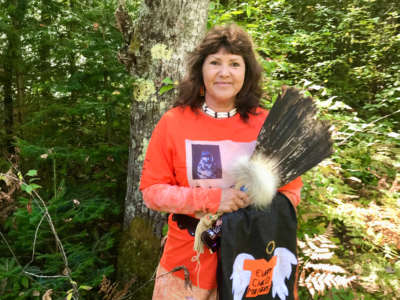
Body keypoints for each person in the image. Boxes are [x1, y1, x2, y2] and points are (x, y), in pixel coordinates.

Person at [139, 24, 302, 300]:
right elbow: (152, 192)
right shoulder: (174, 123)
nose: (224, 72)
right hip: (188, 268)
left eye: (234, 64)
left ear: (246, 72)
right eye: (215, 62)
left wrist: (253, 199)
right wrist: (215, 199)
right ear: (201, 70)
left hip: (253, 265)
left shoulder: (266, 124)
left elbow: (291, 192)